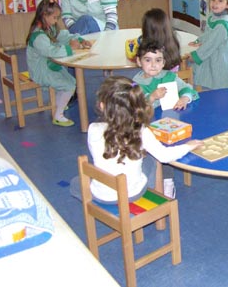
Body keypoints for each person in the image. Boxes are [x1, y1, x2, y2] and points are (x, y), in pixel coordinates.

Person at [70, 76, 202, 203]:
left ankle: (96, 206)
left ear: (102, 106)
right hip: (132, 194)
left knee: (76, 182)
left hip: (101, 194)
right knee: (152, 159)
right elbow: (164, 156)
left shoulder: (93, 129)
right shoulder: (141, 131)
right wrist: (188, 146)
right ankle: (159, 192)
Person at [26, 0, 92, 127]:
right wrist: (70, 48)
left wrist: (78, 39)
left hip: (49, 66)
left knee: (72, 81)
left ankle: (57, 104)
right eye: (55, 18)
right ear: (44, 15)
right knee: (69, 85)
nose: (56, 21)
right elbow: (51, 52)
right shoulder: (38, 36)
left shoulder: (49, 28)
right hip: (41, 72)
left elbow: (63, 36)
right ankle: (58, 116)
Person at [188, 0, 228, 89]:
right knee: (210, 80)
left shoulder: (222, 26)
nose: (215, 3)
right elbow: (207, 34)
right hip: (213, 56)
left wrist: (195, 57)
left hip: (221, 63)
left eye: (220, 0)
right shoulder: (213, 16)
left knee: (220, 86)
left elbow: (210, 45)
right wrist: (198, 40)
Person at [133, 40, 199, 110]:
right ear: (139, 61)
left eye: (158, 60)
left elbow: (187, 89)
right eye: (148, 60)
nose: (153, 65)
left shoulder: (169, 77)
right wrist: (152, 97)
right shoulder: (135, 85)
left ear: (163, 63)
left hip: (174, 114)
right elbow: (135, 107)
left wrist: (184, 98)